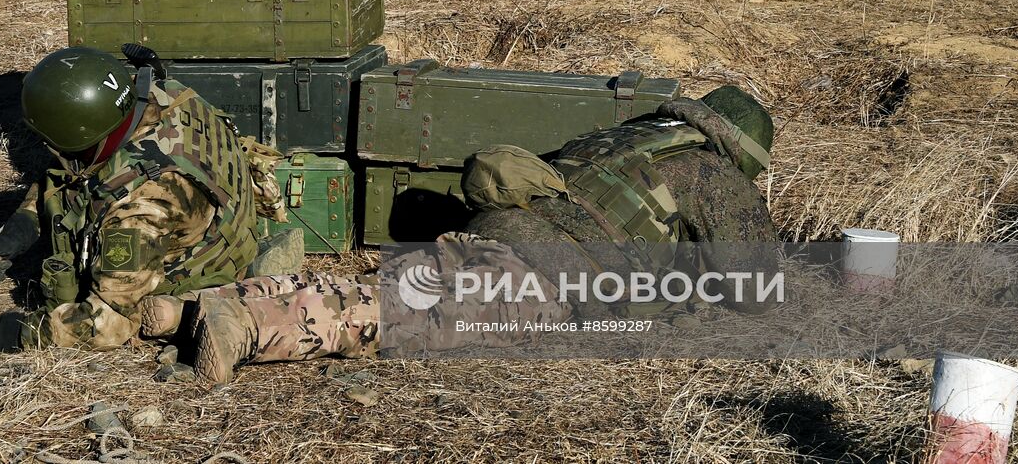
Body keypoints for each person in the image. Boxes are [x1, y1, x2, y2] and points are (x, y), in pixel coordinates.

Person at [160, 85, 779, 382]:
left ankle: (199, 304)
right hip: (550, 269)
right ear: (741, 150)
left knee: (391, 285)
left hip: (493, 229)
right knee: (407, 315)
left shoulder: (627, 135)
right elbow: (757, 288)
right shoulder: (710, 171)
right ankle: (248, 327)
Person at [0, 46, 286, 353]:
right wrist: (24, 224)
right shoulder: (159, 95)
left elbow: (105, 326)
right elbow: (67, 169)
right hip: (229, 222)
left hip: (200, 275)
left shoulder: (140, 208)